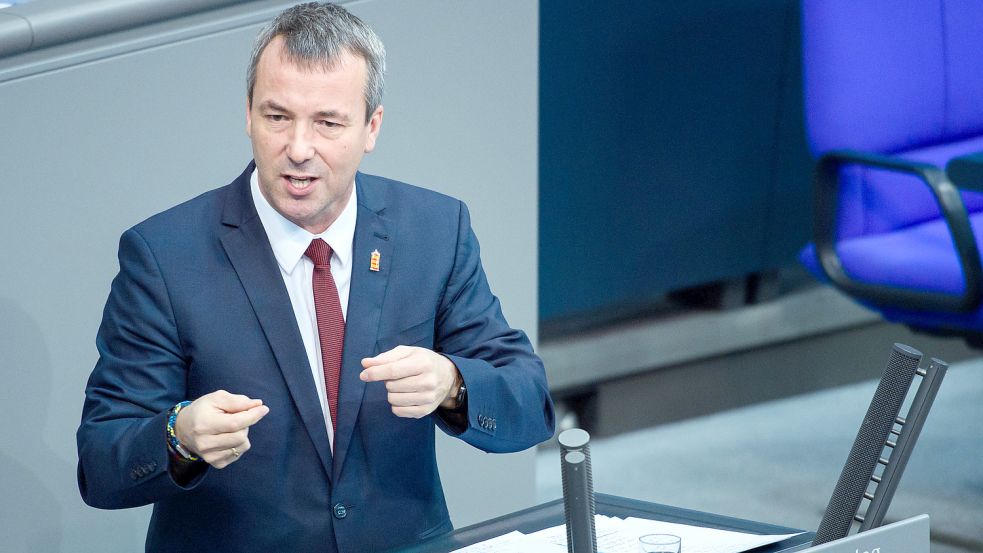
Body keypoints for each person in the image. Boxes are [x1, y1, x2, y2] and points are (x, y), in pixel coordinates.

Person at [75, 3, 555, 551]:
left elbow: (528, 402)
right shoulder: (164, 256)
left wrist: (453, 383)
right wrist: (178, 437)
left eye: (327, 123)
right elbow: (102, 459)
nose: (298, 150)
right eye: (277, 117)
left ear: (371, 127)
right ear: (248, 114)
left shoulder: (434, 230)